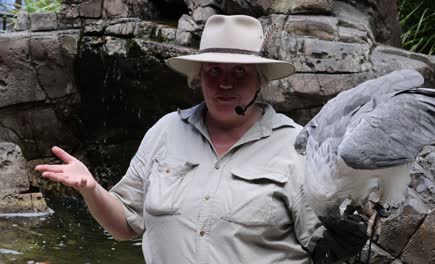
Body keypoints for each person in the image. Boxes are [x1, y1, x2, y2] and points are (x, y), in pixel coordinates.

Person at [35, 15, 366, 263]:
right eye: (214, 71)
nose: (224, 84)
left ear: (260, 79)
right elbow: (125, 226)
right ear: (198, 77)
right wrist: (91, 189)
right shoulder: (164, 131)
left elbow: (326, 247)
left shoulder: (296, 147)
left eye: (239, 72)